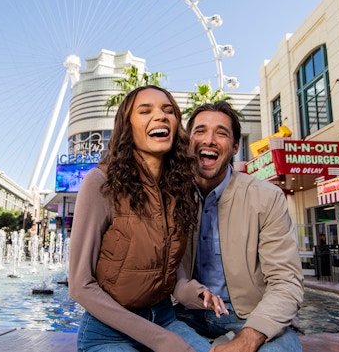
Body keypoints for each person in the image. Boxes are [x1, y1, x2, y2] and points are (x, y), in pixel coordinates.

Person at [69, 85, 218, 352]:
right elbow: (80, 286)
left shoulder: (178, 189)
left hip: (165, 321)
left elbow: (174, 273)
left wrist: (195, 293)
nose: (160, 116)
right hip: (108, 334)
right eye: (145, 110)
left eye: (168, 110)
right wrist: (160, 340)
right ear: (128, 127)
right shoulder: (101, 183)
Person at [173, 101, 304, 351]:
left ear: (234, 147)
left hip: (250, 316)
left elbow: (286, 281)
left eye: (221, 133)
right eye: (200, 131)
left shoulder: (267, 197)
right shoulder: (170, 195)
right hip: (183, 315)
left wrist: (249, 338)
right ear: (188, 141)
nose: (209, 140)